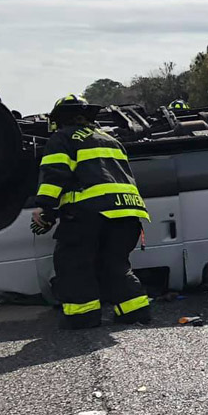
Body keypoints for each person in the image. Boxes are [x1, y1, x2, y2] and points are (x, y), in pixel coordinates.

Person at [33, 95, 152, 329]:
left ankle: (82, 317)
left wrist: (44, 207)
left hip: (89, 214)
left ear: (59, 119)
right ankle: (136, 312)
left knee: (73, 264)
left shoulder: (62, 138)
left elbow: (55, 174)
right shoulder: (109, 139)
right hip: (128, 213)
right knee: (114, 264)